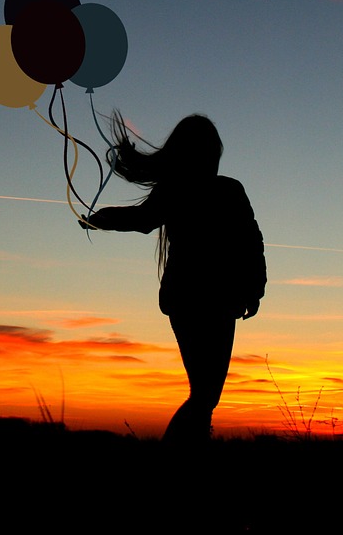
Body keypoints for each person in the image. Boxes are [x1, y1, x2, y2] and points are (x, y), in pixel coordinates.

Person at [79, 113, 265, 443]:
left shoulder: (205, 191)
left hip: (206, 300)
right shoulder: (203, 191)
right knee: (205, 395)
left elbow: (250, 242)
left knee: (206, 396)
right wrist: (101, 220)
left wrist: (254, 290)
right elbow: (250, 242)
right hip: (202, 300)